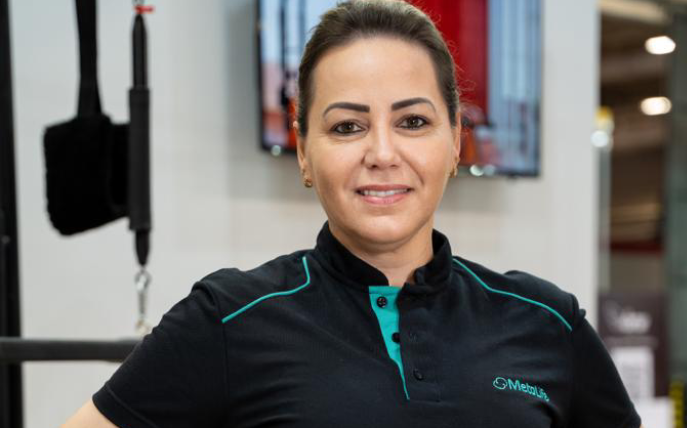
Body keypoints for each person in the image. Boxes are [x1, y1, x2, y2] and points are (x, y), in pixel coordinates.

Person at [63, 1, 643, 427]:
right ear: (305, 152)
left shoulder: (547, 321)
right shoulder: (227, 318)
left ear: (454, 142)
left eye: (413, 122)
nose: (382, 154)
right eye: (347, 126)